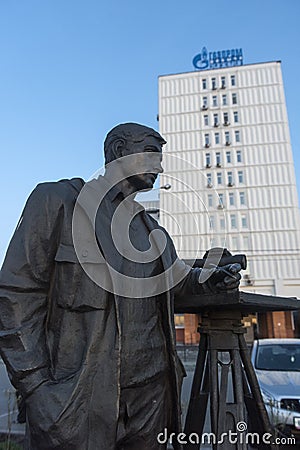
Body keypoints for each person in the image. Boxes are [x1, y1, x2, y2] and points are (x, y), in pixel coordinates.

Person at [0, 123, 241, 450]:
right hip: (79, 398)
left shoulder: (152, 230)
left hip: (152, 397)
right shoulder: (57, 202)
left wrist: (214, 273)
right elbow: (15, 296)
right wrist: (37, 388)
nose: (160, 166)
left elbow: (178, 281)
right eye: (152, 153)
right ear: (118, 152)